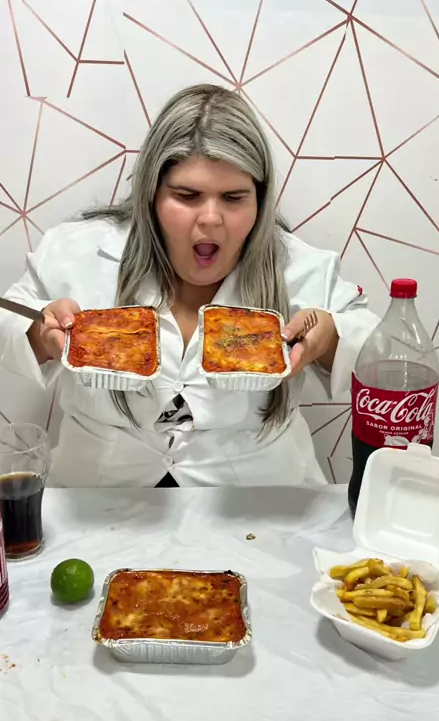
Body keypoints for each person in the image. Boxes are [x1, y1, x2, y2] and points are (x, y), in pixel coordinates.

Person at [0, 84, 378, 488]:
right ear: (151, 195)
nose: (211, 218)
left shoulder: (298, 265)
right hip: (98, 496)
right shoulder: (77, 250)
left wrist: (330, 338)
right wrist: (40, 336)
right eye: (187, 195)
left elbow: (383, 351)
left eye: (233, 197)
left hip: (261, 499)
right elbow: (9, 319)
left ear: (259, 200)